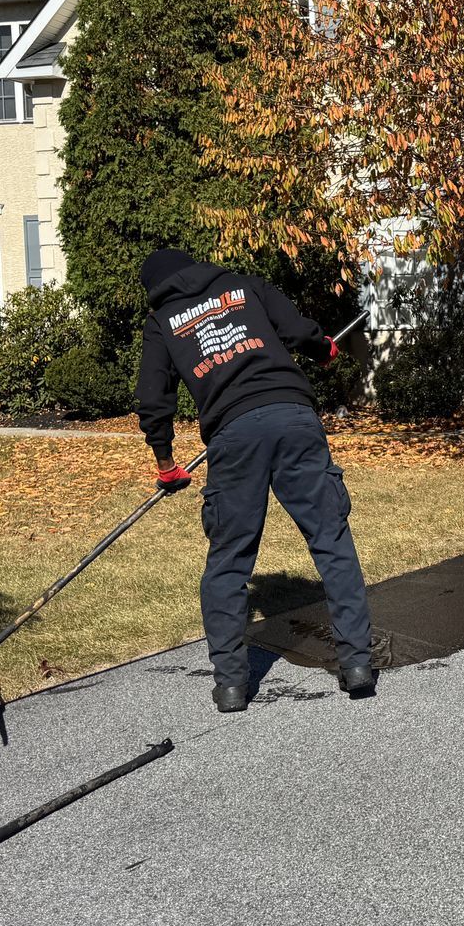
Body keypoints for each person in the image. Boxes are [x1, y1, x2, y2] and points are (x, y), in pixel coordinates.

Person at [134, 248, 375, 712]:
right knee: (331, 539)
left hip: (233, 437)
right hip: (295, 418)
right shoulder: (244, 285)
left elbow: (152, 398)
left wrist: (166, 462)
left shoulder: (163, 320)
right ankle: (357, 664)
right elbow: (299, 329)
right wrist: (322, 347)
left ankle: (230, 685)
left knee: (229, 558)